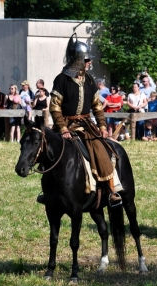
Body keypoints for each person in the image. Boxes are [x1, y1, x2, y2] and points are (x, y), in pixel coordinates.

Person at [45, 33, 122, 203]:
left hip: (87, 126)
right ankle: (48, 191)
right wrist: (63, 128)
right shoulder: (62, 79)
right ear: (78, 60)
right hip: (65, 125)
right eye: (87, 60)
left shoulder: (88, 79)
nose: (90, 63)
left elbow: (97, 105)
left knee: (103, 151)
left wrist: (102, 126)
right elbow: (55, 107)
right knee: (48, 153)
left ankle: (111, 189)